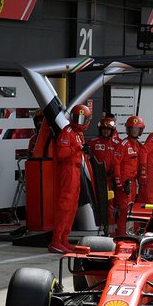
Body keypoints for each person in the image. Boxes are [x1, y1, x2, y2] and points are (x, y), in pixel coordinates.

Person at [49, 104, 92, 254]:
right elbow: (61, 153)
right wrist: (78, 148)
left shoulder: (78, 133)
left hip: (76, 169)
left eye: (83, 119)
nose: (80, 121)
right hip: (68, 169)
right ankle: (56, 240)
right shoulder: (67, 132)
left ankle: (64, 240)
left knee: (73, 206)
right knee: (65, 205)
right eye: (77, 118)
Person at [113, 115, 146, 236]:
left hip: (133, 183)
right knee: (124, 210)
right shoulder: (123, 145)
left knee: (132, 210)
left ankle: (129, 234)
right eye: (132, 128)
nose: (134, 131)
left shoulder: (138, 145)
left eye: (137, 129)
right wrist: (119, 183)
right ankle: (122, 235)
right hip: (124, 183)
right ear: (128, 129)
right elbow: (116, 163)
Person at [87, 115, 119, 230]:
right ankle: (96, 227)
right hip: (95, 179)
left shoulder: (116, 145)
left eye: (108, 130)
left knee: (109, 204)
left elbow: (118, 163)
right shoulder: (92, 143)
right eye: (104, 129)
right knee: (95, 203)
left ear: (112, 131)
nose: (106, 132)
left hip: (109, 180)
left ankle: (109, 231)